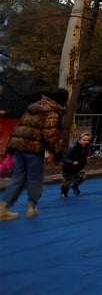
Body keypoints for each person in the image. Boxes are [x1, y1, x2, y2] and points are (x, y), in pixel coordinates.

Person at [0, 88, 68, 221]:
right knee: (35, 178)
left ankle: (3, 208)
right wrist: (57, 151)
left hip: (19, 147)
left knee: (17, 178)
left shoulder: (33, 107)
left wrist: (12, 147)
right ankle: (32, 206)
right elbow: (50, 133)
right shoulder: (52, 111)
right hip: (34, 149)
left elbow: (19, 127)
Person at [61, 132, 93, 197]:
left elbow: (84, 157)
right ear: (79, 140)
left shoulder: (87, 147)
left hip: (79, 167)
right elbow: (64, 158)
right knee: (67, 181)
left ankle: (74, 186)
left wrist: (90, 158)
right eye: (84, 140)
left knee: (81, 178)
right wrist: (72, 162)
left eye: (88, 140)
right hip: (68, 168)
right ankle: (64, 193)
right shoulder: (73, 148)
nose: (86, 142)